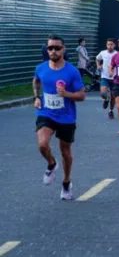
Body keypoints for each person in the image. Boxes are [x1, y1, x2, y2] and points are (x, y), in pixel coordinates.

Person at [33, 35, 86, 200]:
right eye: (50, 48)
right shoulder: (41, 68)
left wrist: (67, 94)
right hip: (46, 113)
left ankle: (66, 181)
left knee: (65, 151)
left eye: (57, 48)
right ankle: (51, 163)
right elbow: (36, 81)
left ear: (63, 49)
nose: (53, 51)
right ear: (47, 50)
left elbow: (82, 95)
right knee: (42, 144)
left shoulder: (71, 71)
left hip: (66, 117)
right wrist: (36, 97)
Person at [96, 38, 118, 119]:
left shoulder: (117, 54)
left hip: (114, 78)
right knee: (103, 94)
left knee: (113, 96)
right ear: (106, 45)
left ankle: (111, 111)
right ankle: (106, 99)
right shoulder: (102, 53)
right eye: (108, 44)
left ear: (114, 45)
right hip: (104, 77)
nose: (109, 46)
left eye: (111, 44)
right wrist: (98, 65)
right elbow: (97, 59)